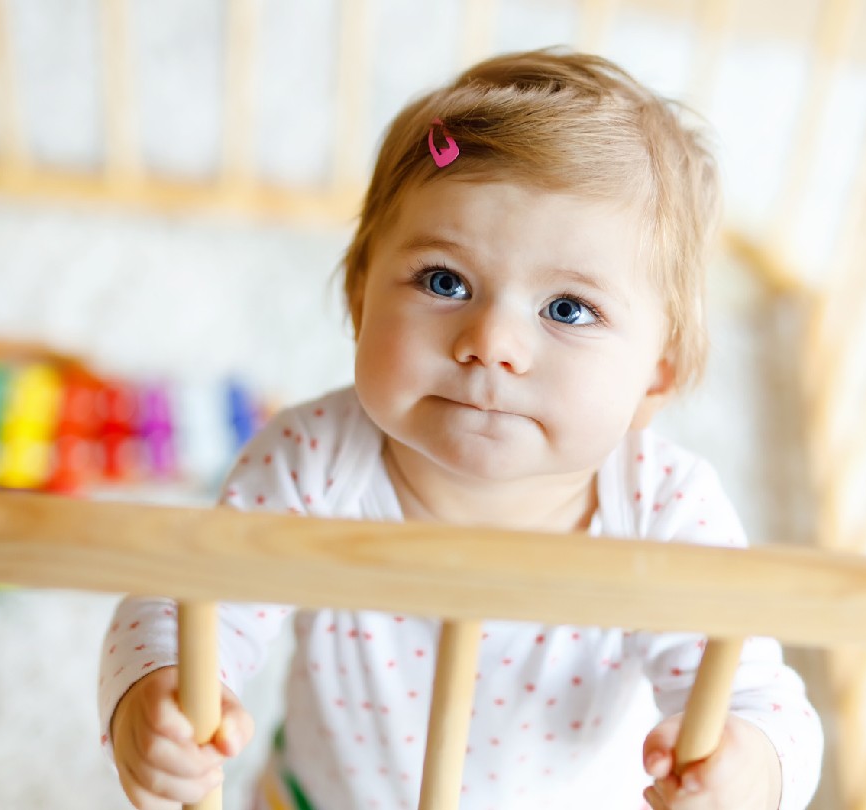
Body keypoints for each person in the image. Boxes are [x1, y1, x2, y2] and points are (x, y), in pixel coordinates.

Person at [98, 48, 823, 810]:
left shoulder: (663, 510)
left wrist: (751, 769)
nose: (491, 341)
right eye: (445, 281)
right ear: (359, 297)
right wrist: (158, 694)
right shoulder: (313, 458)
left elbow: (763, 702)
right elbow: (184, 601)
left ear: (657, 374)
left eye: (568, 309)